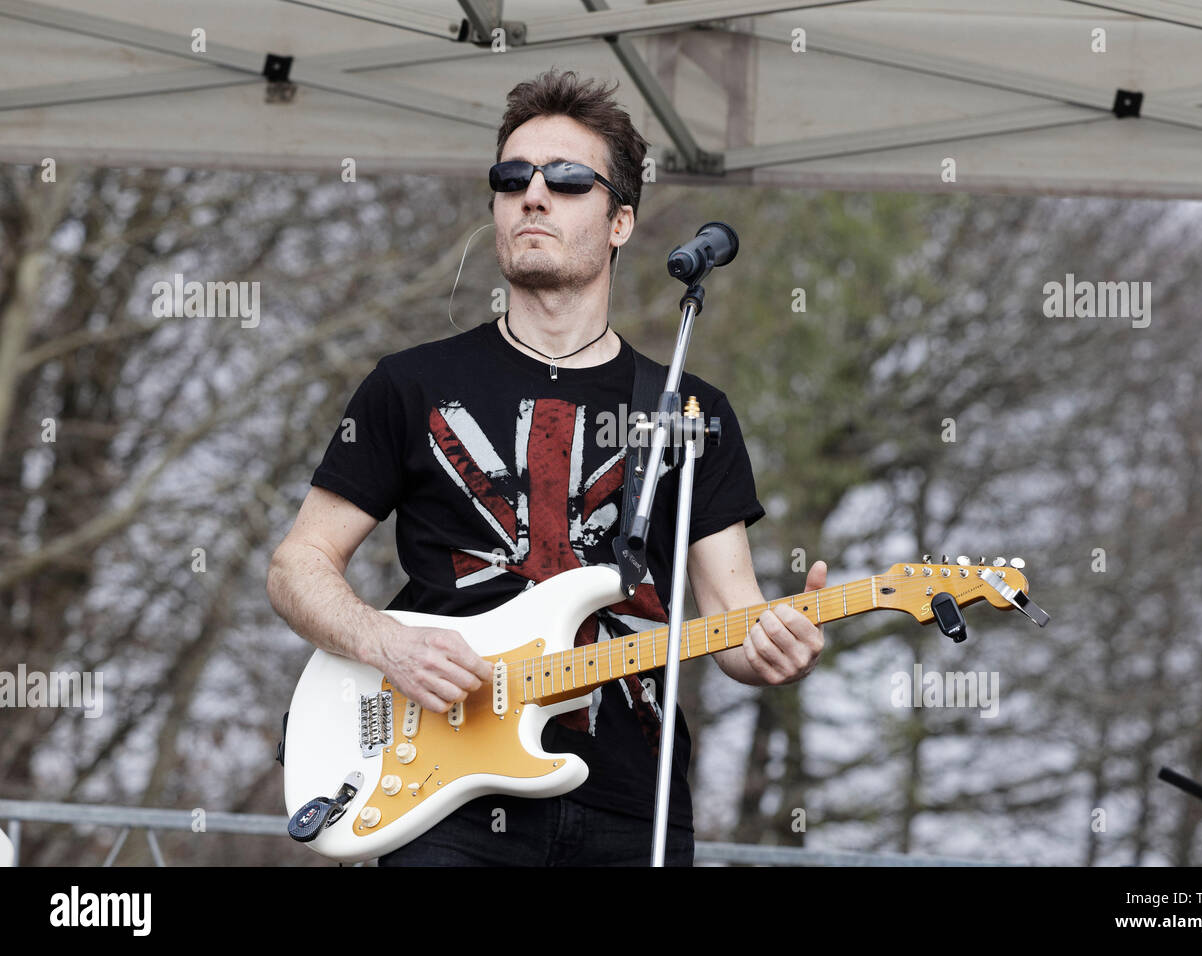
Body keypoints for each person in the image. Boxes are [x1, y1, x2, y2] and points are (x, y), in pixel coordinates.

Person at [266, 68, 826, 866]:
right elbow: (297, 565)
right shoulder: (412, 385)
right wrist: (386, 643)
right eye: (511, 178)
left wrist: (777, 648)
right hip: (440, 799)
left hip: (633, 805)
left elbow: (732, 623)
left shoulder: (688, 411)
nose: (533, 195)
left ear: (621, 221)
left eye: (566, 180)